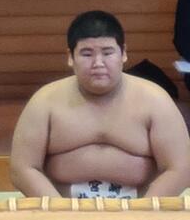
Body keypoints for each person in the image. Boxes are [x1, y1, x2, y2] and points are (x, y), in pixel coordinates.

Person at [10, 10, 190, 199]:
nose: (98, 63)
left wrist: (143, 210)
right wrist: (58, 210)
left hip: (141, 208)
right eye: (87, 54)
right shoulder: (45, 101)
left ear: (123, 53)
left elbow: (180, 168)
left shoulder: (155, 100)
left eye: (107, 53)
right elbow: (23, 168)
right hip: (63, 209)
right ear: (70, 56)